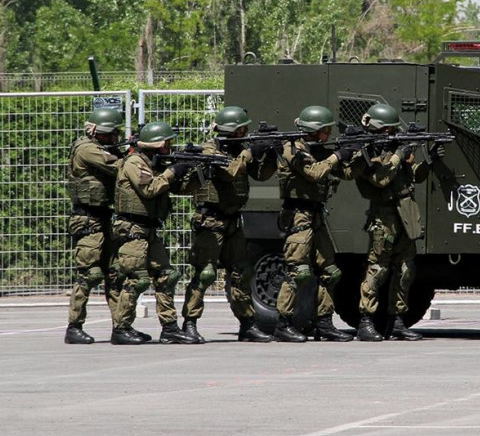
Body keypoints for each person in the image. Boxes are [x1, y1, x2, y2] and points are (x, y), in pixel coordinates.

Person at [181, 106, 276, 343]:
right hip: (211, 221)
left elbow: (260, 175)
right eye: (242, 129)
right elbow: (231, 171)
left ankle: (247, 324)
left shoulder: (240, 150)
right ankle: (189, 323)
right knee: (205, 273)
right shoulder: (209, 150)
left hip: (233, 221)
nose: (246, 132)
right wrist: (250, 151)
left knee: (242, 273)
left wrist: (270, 154)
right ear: (231, 131)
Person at [349, 103, 443, 342]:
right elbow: (381, 179)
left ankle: (397, 321)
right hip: (384, 216)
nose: (391, 134)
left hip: (405, 214)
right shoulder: (365, 153)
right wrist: (399, 154)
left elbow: (414, 177)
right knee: (377, 269)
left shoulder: (393, 150)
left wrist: (429, 160)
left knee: (406, 269)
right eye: (388, 130)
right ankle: (366, 321)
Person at [273, 105, 357, 342]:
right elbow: (313, 173)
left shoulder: (317, 149)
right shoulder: (294, 149)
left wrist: (355, 152)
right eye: (325, 130)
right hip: (298, 215)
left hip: (316, 215)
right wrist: (336, 156)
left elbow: (347, 174)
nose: (328, 134)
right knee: (296, 272)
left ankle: (324, 323)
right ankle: (283, 324)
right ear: (314, 130)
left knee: (330, 271)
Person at [110, 121, 198, 345]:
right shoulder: (134, 163)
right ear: (157, 145)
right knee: (137, 280)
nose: (170, 147)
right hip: (132, 229)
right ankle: (121, 329)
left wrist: (189, 170)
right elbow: (149, 189)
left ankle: (169, 328)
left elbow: (177, 188)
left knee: (167, 276)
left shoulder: (153, 164)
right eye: (167, 144)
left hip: (148, 229)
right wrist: (172, 171)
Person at [64, 107, 125, 344]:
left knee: (114, 273)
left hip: (103, 217)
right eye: (111, 134)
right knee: (89, 274)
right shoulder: (87, 149)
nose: (114, 138)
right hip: (87, 219)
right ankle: (74, 326)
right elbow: (117, 166)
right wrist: (135, 155)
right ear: (97, 132)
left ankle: (121, 326)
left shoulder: (101, 147)